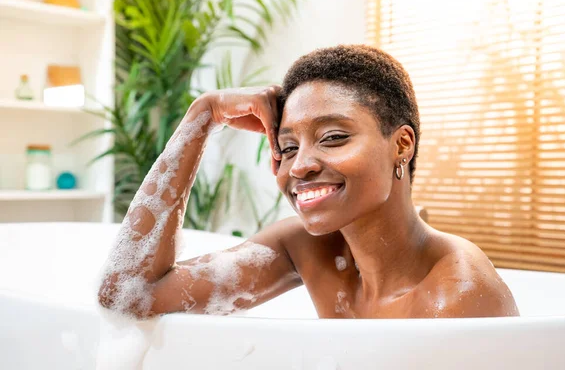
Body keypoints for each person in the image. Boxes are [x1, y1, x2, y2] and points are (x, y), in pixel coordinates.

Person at [98, 45, 519, 319]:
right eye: (288, 147)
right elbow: (127, 295)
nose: (299, 167)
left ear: (401, 145)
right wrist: (203, 117)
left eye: (333, 137)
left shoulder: (458, 296)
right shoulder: (308, 247)